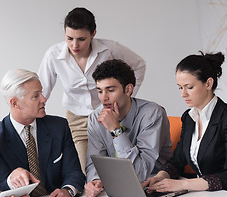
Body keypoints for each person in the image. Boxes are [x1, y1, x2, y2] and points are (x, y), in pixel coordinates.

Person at [38, 7, 146, 174]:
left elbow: (139, 65)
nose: (74, 45)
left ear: (93, 33)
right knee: (86, 171)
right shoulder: (53, 55)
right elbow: (42, 90)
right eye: (69, 38)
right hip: (76, 120)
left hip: (110, 114)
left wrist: (125, 97)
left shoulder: (110, 49)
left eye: (81, 39)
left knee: (121, 167)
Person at [142, 52, 227, 194]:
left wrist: (183, 184)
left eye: (189, 87)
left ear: (208, 84)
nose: (183, 94)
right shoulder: (189, 117)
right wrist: (161, 176)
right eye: (180, 87)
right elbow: (178, 160)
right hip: (202, 195)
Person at [0, 69, 85, 197]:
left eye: (41, 92)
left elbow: (74, 172)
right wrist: (12, 180)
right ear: (15, 103)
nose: (44, 99)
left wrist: (68, 190)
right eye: (36, 96)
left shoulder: (59, 127)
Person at [85, 59, 172, 197]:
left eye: (111, 90)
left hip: (154, 186)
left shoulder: (152, 114)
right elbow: (94, 162)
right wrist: (94, 181)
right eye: (100, 91)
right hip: (117, 189)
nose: (104, 98)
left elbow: (139, 173)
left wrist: (115, 129)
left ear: (128, 89)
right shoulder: (95, 118)